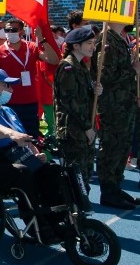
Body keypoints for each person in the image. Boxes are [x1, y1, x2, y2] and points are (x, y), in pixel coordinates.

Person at [0, 69, 64, 239]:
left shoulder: (9, 112)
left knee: (51, 169)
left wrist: (35, 153)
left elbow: (25, 141)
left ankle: (57, 218)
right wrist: (10, 133)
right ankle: (36, 224)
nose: (11, 90)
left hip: (12, 156)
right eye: (6, 85)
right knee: (22, 173)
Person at [92, 20, 140, 209]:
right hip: (113, 105)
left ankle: (116, 186)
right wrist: (133, 70)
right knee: (112, 147)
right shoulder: (107, 42)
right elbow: (105, 77)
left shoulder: (118, 39)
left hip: (124, 104)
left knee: (122, 146)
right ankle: (109, 191)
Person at [0, 18, 58, 138]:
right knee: (12, 137)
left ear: (21, 31)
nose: (10, 32)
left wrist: (42, 39)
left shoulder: (32, 47)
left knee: (31, 137)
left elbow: (53, 60)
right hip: (8, 101)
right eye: (7, 30)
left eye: (13, 30)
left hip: (30, 101)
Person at [53, 26, 101, 193]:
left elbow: (84, 97)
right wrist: (87, 127)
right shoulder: (67, 68)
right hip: (73, 130)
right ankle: (74, 214)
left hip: (82, 128)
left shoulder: (81, 67)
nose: (92, 46)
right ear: (76, 46)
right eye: (89, 43)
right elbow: (70, 102)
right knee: (75, 177)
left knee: (85, 175)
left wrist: (96, 91)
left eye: (93, 42)